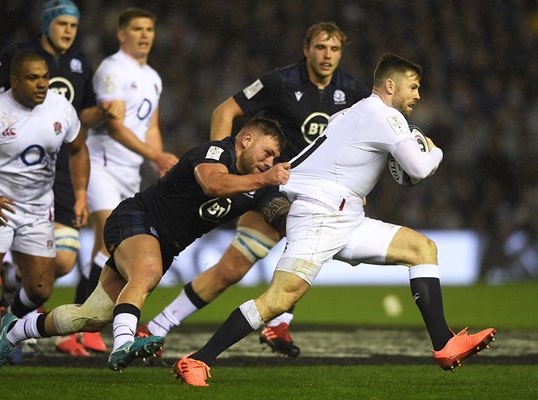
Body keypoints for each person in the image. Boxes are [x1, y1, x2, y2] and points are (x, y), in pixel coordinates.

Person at [173, 53, 497, 387]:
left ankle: (444, 343)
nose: (417, 95)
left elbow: (329, 160)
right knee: (278, 300)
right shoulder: (386, 116)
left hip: (348, 216)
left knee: (422, 248)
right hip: (320, 216)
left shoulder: (349, 113)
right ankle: (197, 359)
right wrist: (435, 151)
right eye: (413, 87)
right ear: (390, 85)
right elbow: (417, 168)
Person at [0, 117, 291, 376]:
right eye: (267, 152)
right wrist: (265, 181)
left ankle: (15, 331)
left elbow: (279, 216)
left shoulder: (259, 185)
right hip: (136, 218)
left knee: (90, 316)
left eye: (275, 158)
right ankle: (123, 345)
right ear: (246, 139)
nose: (269, 162)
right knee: (147, 270)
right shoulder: (216, 152)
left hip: (164, 246)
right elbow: (213, 184)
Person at [138, 21, 368, 359]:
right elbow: (225, 110)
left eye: (334, 49)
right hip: (271, 184)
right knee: (286, 242)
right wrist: (221, 158)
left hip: (318, 189)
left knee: (241, 266)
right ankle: (275, 320)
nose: (327, 55)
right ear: (306, 49)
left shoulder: (352, 91)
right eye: (320, 47)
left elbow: (368, 138)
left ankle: (158, 327)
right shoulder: (281, 82)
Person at [0, 0, 106, 356]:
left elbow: (83, 114)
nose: (69, 30)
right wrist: (4, 120)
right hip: (11, 170)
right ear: (46, 26)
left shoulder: (79, 63)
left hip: (57, 171)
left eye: (74, 24)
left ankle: (11, 294)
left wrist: (101, 113)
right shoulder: (18, 53)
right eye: (62, 24)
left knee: (64, 263)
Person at [0, 50, 90, 367]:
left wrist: (80, 194)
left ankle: (7, 321)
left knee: (40, 290)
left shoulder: (61, 107)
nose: (42, 84)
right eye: (32, 78)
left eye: (45, 78)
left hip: (39, 209)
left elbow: (79, 149)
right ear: (13, 82)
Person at [83, 7, 177, 339]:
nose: (144, 35)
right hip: (102, 165)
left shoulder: (152, 76)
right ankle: (83, 326)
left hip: (130, 171)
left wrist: (158, 161)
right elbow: (114, 126)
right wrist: (154, 153)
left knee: (116, 250)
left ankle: (88, 322)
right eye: (137, 29)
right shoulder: (112, 70)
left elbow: (150, 125)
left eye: (149, 29)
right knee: (107, 244)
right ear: (121, 34)